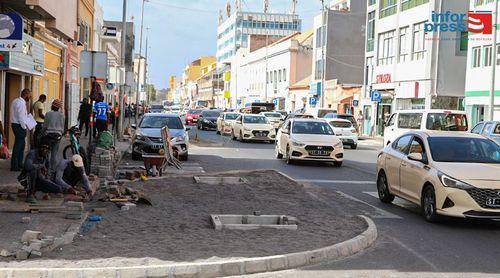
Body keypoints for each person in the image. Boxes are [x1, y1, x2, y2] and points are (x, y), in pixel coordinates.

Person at [10, 88, 32, 172]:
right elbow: (21, 117)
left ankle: (19, 164)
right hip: (19, 126)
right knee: (18, 146)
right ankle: (15, 166)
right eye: (29, 95)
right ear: (26, 94)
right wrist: (24, 127)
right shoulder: (21, 103)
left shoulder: (15, 101)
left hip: (15, 124)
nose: (30, 97)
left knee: (21, 145)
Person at [41, 99, 65, 172]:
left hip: (49, 135)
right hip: (58, 136)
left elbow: (45, 126)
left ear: (53, 106)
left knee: (46, 152)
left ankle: (46, 168)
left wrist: (41, 134)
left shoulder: (48, 114)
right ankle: (53, 170)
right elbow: (63, 126)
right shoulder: (62, 115)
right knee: (54, 154)